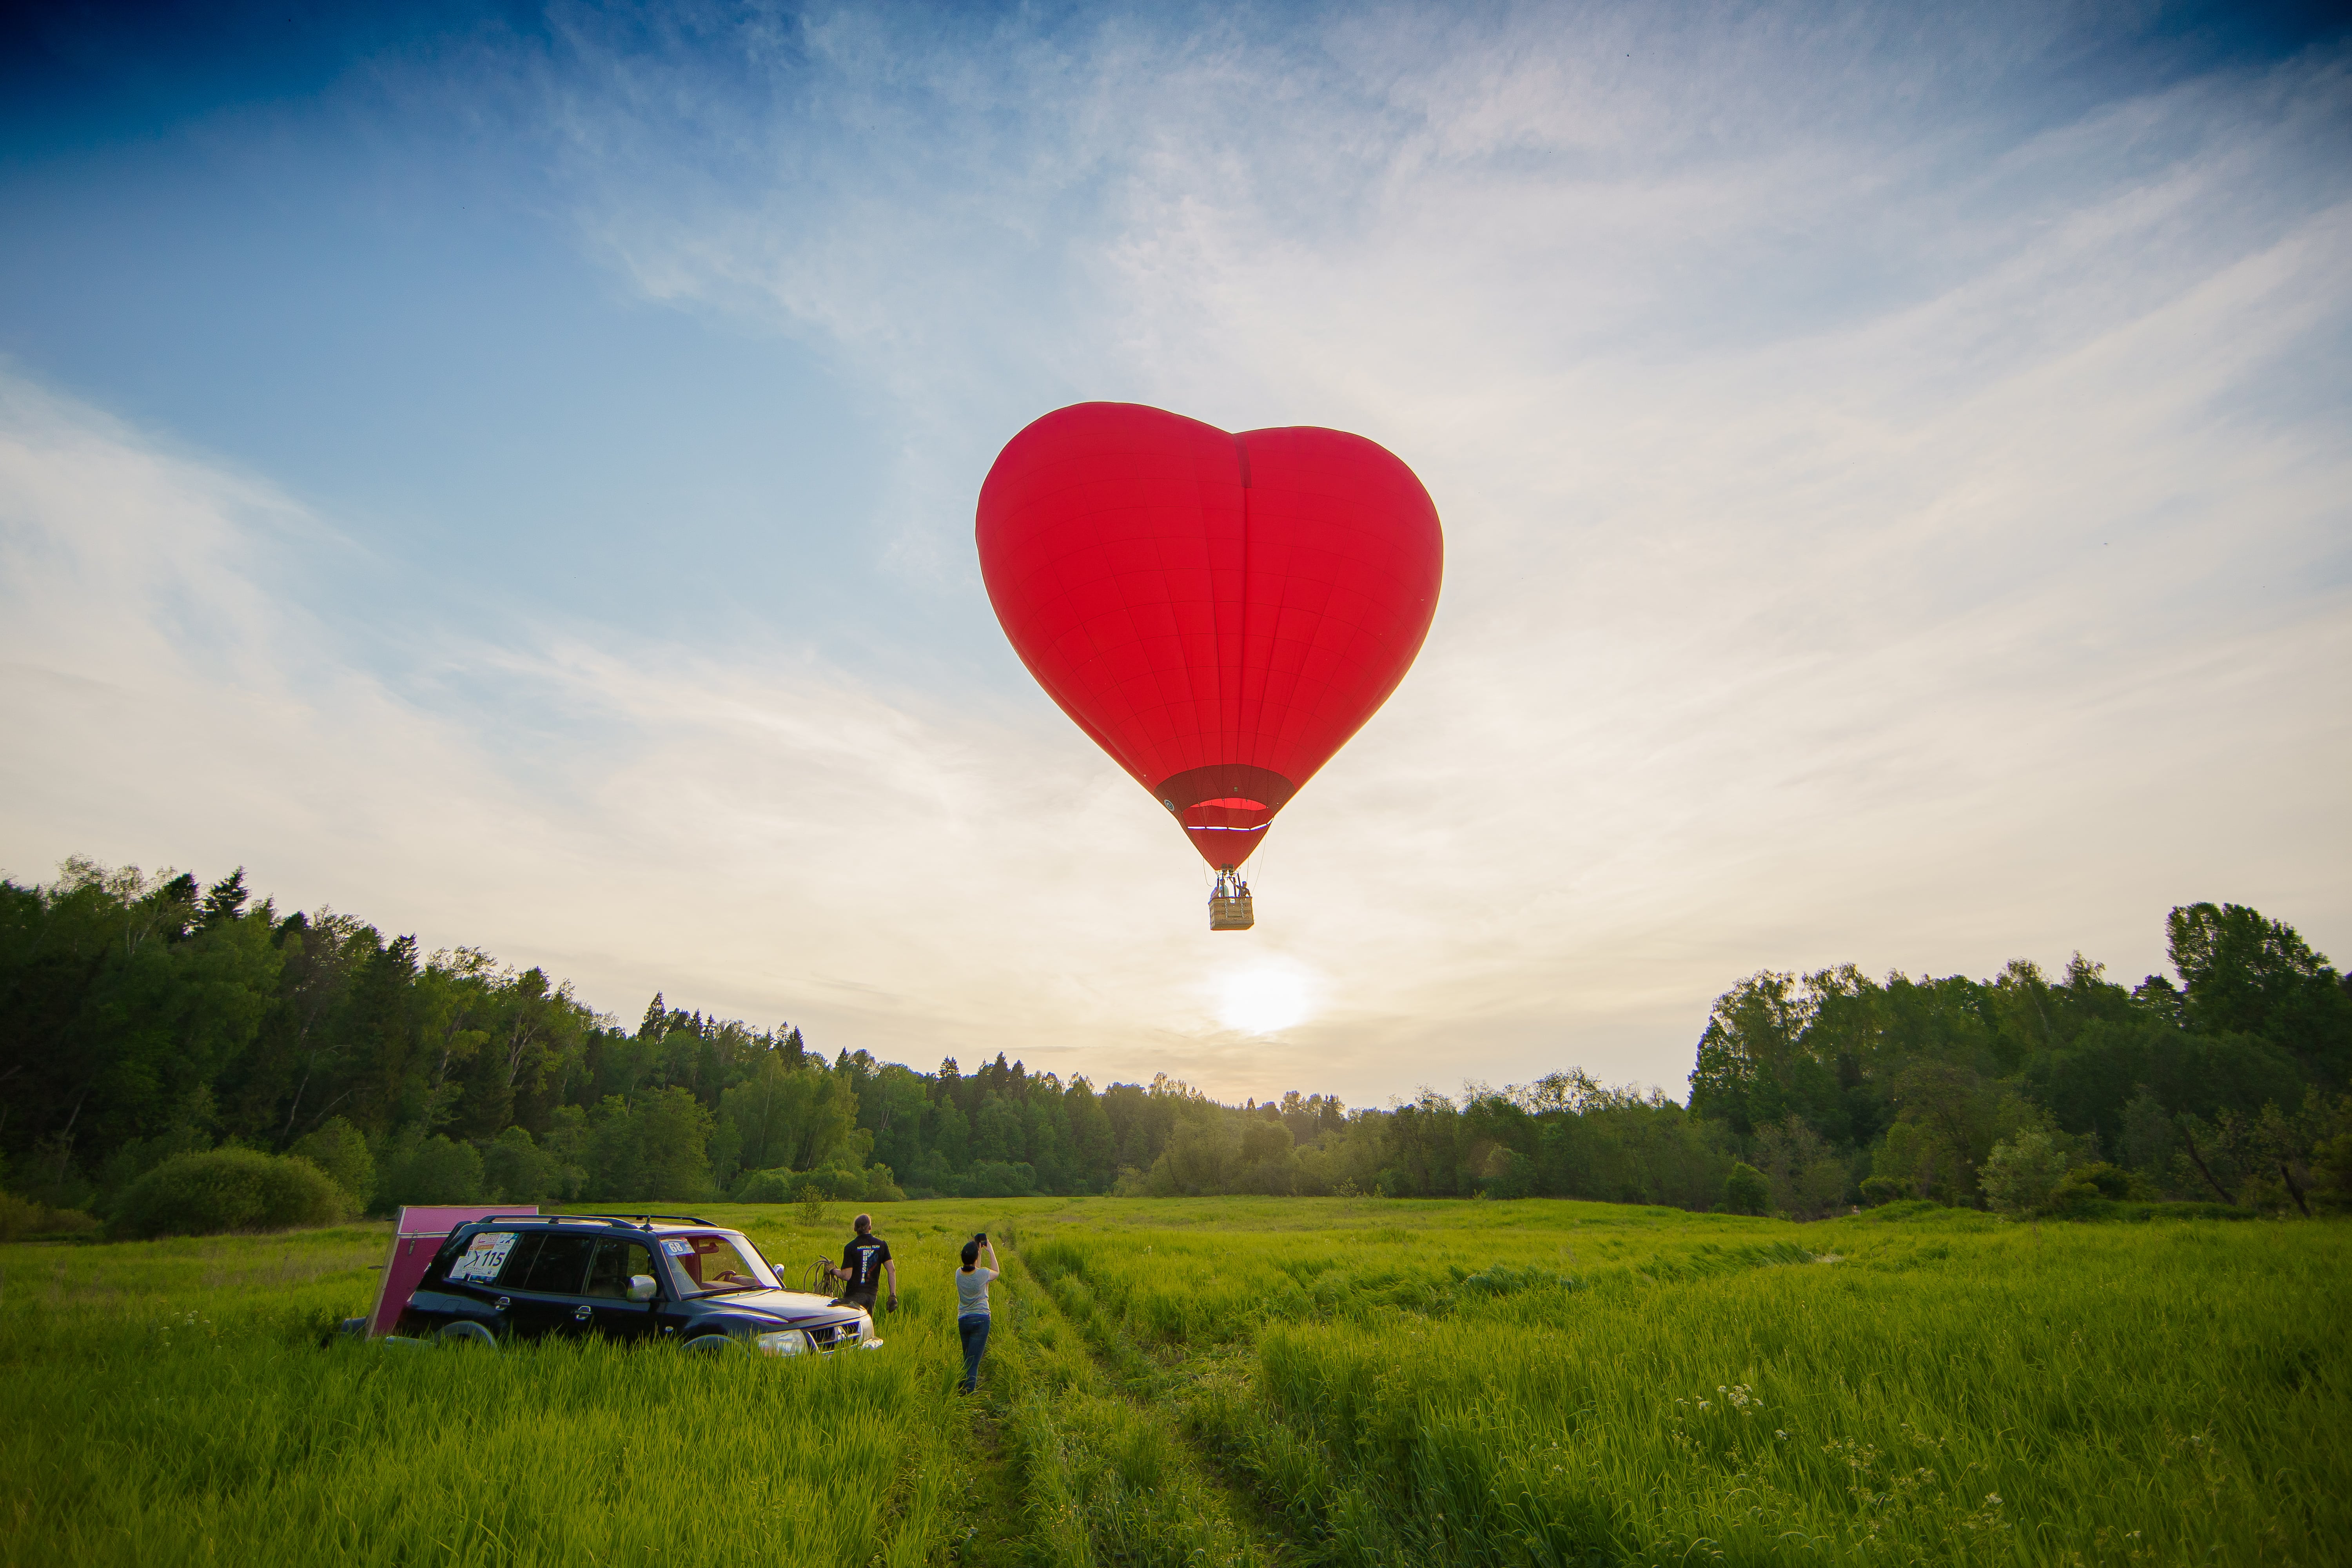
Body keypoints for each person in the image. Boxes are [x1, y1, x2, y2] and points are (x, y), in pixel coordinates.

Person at [828, 1213, 897, 1316]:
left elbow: (846, 1276)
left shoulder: (850, 1247)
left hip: (854, 1295)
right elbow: (892, 1270)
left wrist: (832, 1270)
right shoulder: (882, 1245)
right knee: (866, 1325)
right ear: (870, 1227)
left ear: (855, 1229)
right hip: (872, 1295)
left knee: (849, 1326)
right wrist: (893, 1295)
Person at [955, 1233, 997, 1394]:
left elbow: (975, 1269)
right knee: (974, 1363)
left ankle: (961, 1388)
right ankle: (968, 1396)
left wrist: (977, 1253)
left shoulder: (958, 1273)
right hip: (981, 1320)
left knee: (968, 1359)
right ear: (976, 1257)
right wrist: (990, 1251)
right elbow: (996, 1272)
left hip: (964, 1320)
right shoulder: (983, 1275)